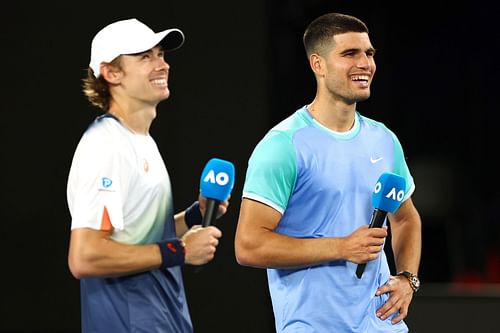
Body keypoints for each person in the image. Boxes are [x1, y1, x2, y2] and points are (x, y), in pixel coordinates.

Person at [235, 12, 422, 333]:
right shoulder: (283, 145)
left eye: (369, 53)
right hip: (313, 325)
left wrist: (408, 279)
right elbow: (249, 246)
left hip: (382, 325)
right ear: (317, 64)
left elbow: (405, 218)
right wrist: (340, 247)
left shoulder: (384, 139)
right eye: (350, 54)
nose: (365, 63)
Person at [66, 18, 229, 333]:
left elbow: (139, 235)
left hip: (164, 319)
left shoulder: (140, 141)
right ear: (112, 73)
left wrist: (195, 216)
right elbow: (85, 257)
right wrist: (180, 251)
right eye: (145, 57)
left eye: (160, 55)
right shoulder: (105, 145)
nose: (162, 65)